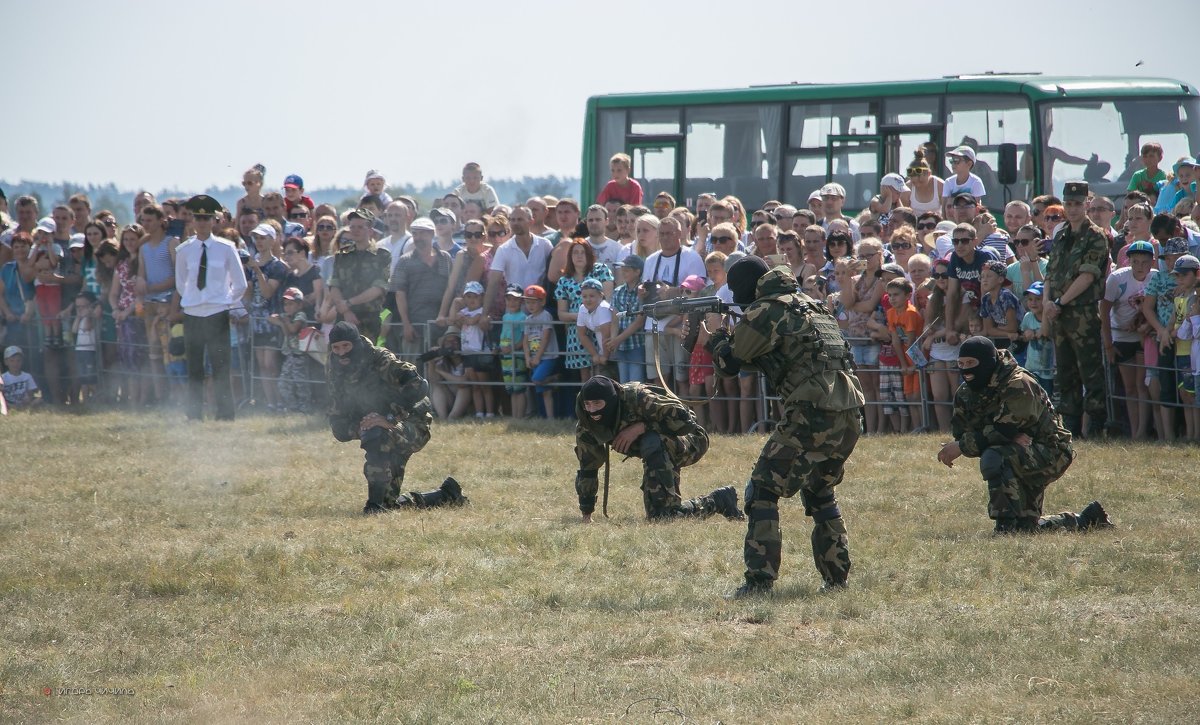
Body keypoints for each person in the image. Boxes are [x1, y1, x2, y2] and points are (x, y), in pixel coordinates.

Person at [707, 256, 865, 596]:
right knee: (820, 491)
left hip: (812, 413)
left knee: (762, 490)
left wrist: (715, 337)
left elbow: (729, 364)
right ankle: (837, 579)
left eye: (736, 291)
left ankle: (759, 581)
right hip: (849, 411)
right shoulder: (811, 305)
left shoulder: (766, 310)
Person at [937, 336, 1112, 534]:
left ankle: (1004, 526)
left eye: (971, 363)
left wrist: (970, 443)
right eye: (961, 364)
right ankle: (1087, 519)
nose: (966, 370)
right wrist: (1002, 436)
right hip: (1017, 450)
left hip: (1050, 451)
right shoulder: (966, 392)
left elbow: (1002, 430)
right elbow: (965, 432)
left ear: (987, 362)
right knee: (1027, 529)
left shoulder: (1018, 383)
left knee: (994, 457)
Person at [326, 320, 467, 515]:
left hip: (412, 422)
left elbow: (419, 386)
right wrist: (359, 428)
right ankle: (446, 495)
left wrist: (389, 418)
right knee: (390, 503)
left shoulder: (380, 359)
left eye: (346, 346)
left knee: (376, 433)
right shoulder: (334, 368)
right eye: (336, 347)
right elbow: (338, 424)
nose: (341, 353)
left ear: (356, 343)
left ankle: (374, 507)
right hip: (379, 427)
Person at [571, 375, 742, 523]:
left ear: (611, 400)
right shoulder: (587, 422)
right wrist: (587, 513)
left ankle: (716, 501)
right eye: (588, 404)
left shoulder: (640, 398)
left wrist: (642, 427)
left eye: (597, 403)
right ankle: (717, 501)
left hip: (690, 439)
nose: (592, 410)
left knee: (661, 516)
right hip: (656, 448)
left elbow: (687, 420)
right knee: (662, 516)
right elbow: (588, 465)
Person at [1042, 182, 1110, 437]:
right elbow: (1051, 273)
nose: (1072, 208)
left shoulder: (1096, 236)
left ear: (1087, 204)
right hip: (1058, 314)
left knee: (1090, 372)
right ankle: (1070, 428)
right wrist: (1048, 302)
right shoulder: (1060, 235)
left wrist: (1059, 303)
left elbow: (1088, 276)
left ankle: (1095, 427)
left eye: (1077, 203)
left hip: (1081, 313)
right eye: (1068, 203)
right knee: (1065, 373)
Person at [174, 194, 248, 421]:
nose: (203, 222)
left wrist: (226, 302)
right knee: (194, 368)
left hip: (217, 312)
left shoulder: (226, 248)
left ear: (214, 220)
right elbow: (180, 283)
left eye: (207, 218)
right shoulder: (184, 250)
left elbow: (240, 282)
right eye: (198, 218)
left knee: (221, 367)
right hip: (194, 313)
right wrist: (193, 300)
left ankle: (225, 415)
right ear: (193, 221)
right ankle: (194, 414)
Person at [269, 287, 312, 414]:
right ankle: (293, 408)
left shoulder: (300, 315)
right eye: (285, 304)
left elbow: (293, 330)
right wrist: (281, 321)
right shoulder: (285, 316)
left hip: (300, 356)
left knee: (301, 384)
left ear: (299, 305)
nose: (287, 307)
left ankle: (304, 409)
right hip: (289, 356)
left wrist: (284, 322)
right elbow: (270, 318)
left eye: (291, 304)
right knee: (283, 384)